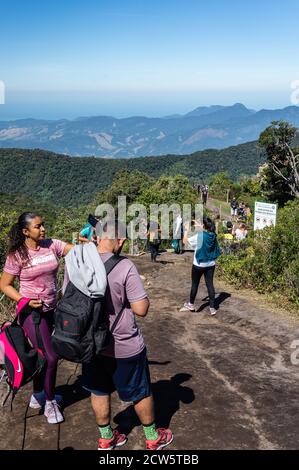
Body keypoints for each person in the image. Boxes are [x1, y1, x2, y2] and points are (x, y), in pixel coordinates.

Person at [79, 220, 173, 450]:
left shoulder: (78, 263)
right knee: (140, 391)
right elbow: (141, 309)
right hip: (123, 345)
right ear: (120, 241)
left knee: (99, 390)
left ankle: (106, 437)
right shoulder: (125, 266)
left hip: (91, 344)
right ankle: (152, 438)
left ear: (96, 237)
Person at [0, 212, 73, 424]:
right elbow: (4, 285)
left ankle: (39, 394)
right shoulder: (17, 255)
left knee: (47, 354)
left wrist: (90, 244)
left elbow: (74, 251)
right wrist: (25, 300)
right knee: (51, 357)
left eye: (43, 225)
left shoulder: (51, 245)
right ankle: (50, 403)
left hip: (52, 310)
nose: (43, 229)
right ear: (25, 231)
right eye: (38, 227)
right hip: (32, 314)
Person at [180, 217, 221, 315]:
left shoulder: (200, 236)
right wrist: (200, 226)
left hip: (199, 264)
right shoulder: (213, 235)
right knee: (210, 285)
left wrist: (186, 230)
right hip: (210, 264)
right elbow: (207, 231)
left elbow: (185, 242)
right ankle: (212, 308)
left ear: (204, 226)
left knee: (195, 284)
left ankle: (191, 305)